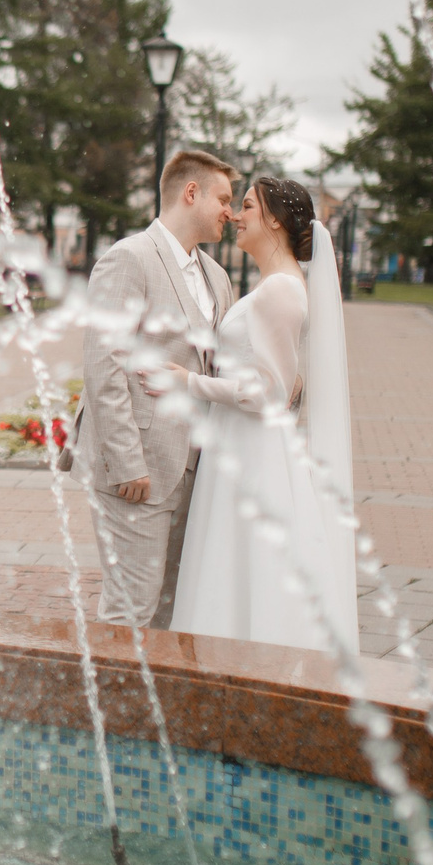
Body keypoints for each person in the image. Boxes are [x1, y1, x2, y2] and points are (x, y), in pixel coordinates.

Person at [154, 176, 356, 652]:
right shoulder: (276, 286)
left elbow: (269, 393)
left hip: (252, 452)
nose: (235, 216)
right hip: (239, 444)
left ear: (275, 220)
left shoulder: (279, 290)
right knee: (232, 562)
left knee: (245, 563)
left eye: (246, 206)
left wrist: (188, 382)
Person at [78, 150, 239, 628]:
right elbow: (103, 364)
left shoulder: (219, 277)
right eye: (224, 199)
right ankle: (108, 702)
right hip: (138, 470)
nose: (230, 212)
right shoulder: (129, 259)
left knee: (171, 611)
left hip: (193, 470)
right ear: (192, 193)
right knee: (131, 610)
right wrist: (126, 461)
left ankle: (150, 705)